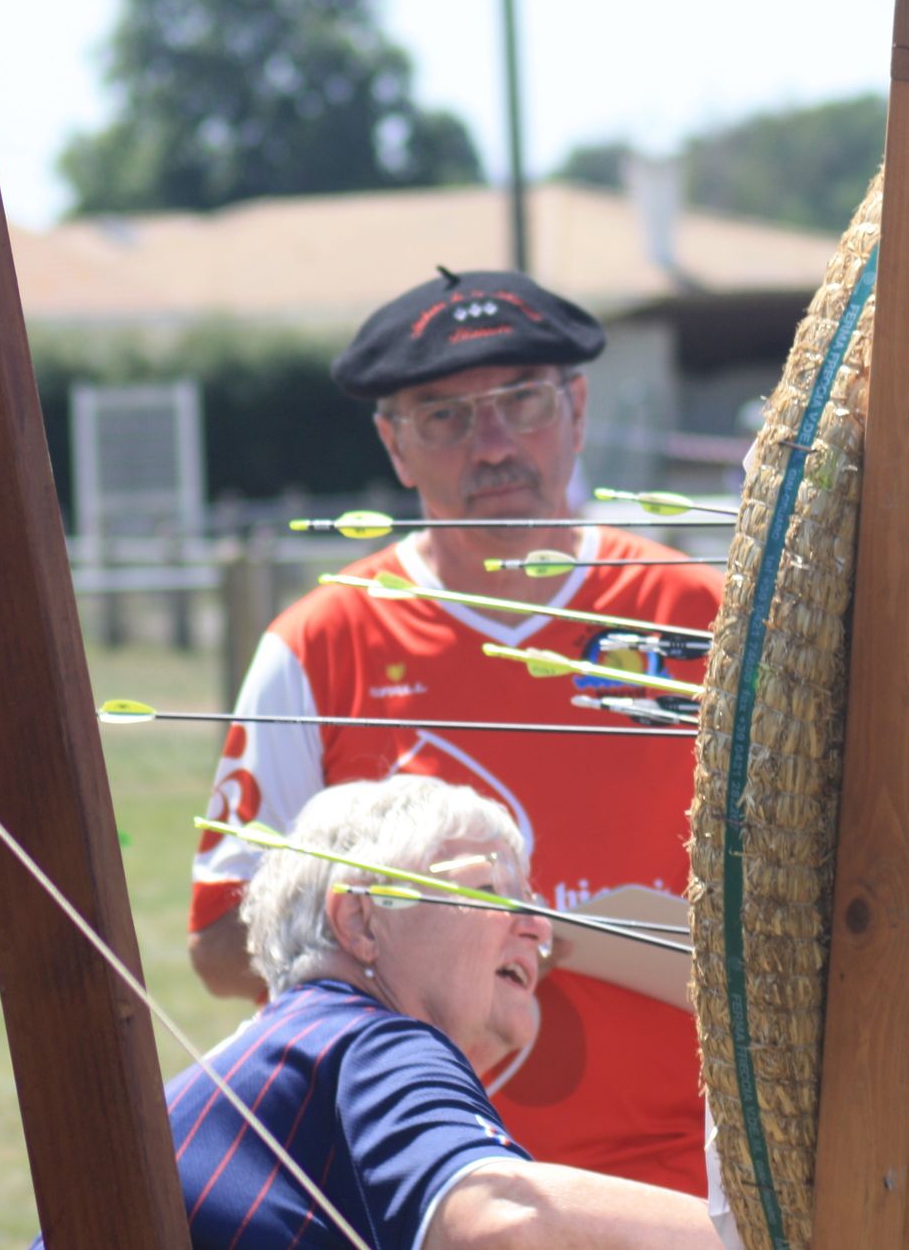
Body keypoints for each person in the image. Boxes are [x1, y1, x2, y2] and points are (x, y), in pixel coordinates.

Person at [189, 268, 723, 1193]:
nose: (495, 445)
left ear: (577, 410)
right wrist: (401, 928)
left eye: (524, 401)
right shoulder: (320, 644)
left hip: (682, 1187)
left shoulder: (705, 616)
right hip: (417, 1183)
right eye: (444, 417)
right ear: (395, 445)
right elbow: (219, 945)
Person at [170, 776, 715, 1249]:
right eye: (490, 891)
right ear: (360, 920)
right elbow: (507, 1220)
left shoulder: (283, 1056)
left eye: (530, 903)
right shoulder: (370, 1043)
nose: (539, 927)